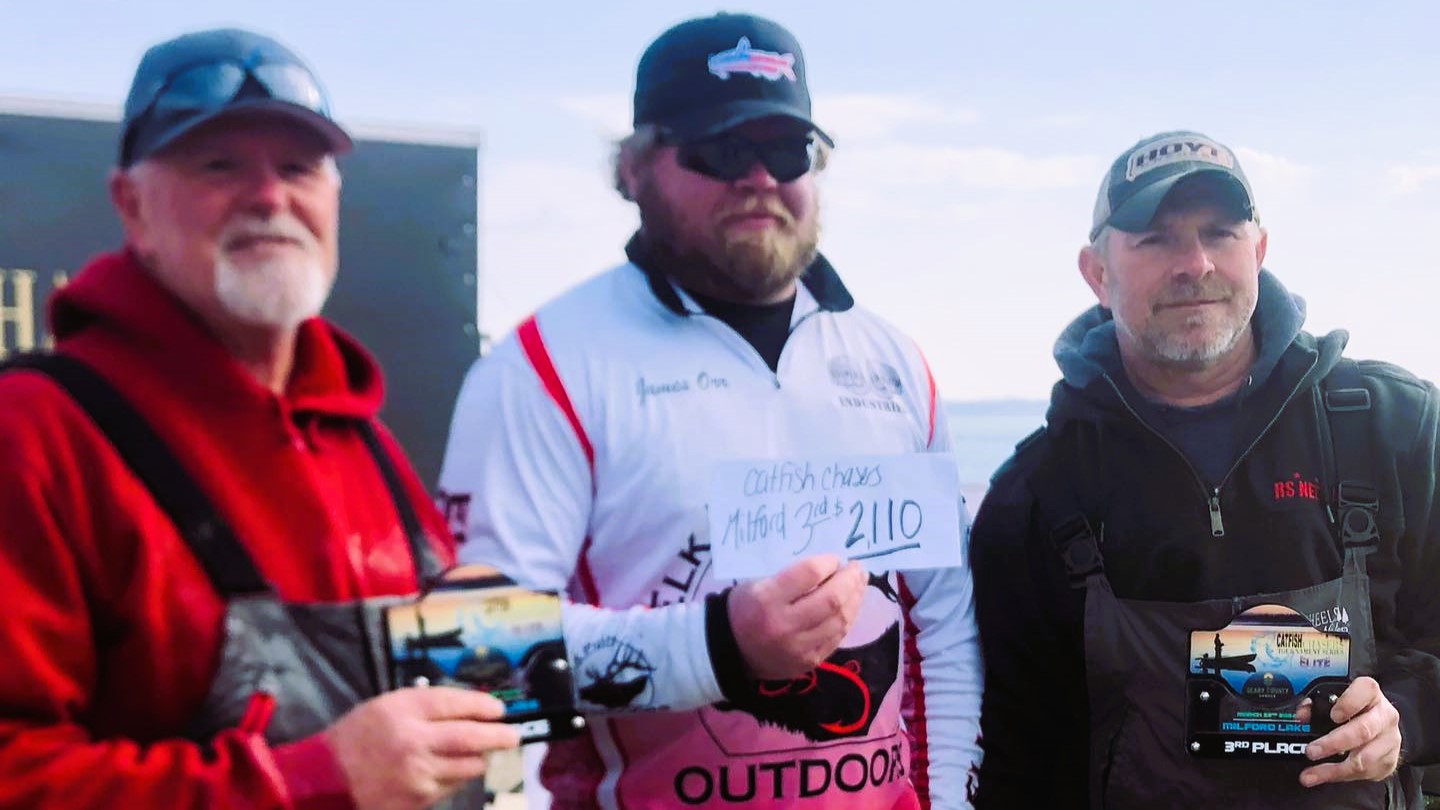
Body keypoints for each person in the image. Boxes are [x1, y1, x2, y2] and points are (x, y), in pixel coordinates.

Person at [438, 11, 982, 809]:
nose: (757, 176)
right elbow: (469, 666)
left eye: (786, 149)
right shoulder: (541, 368)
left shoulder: (896, 366)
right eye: (719, 147)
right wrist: (719, 647)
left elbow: (943, 629)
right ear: (631, 169)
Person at [0, 29, 518, 809]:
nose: (270, 197)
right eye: (219, 165)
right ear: (131, 205)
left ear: (334, 198)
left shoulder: (363, 436)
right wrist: (309, 782)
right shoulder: (37, 432)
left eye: (299, 168)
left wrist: (474, 634)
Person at [970, 130, 1440, 809]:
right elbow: (1020, 761)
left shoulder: (1395, 430)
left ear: (1261, 249)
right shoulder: (1034, 496)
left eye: (1221, 232)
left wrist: (1404, 716)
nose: (1194, 263)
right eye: (1155, 240)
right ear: (1097, 272)